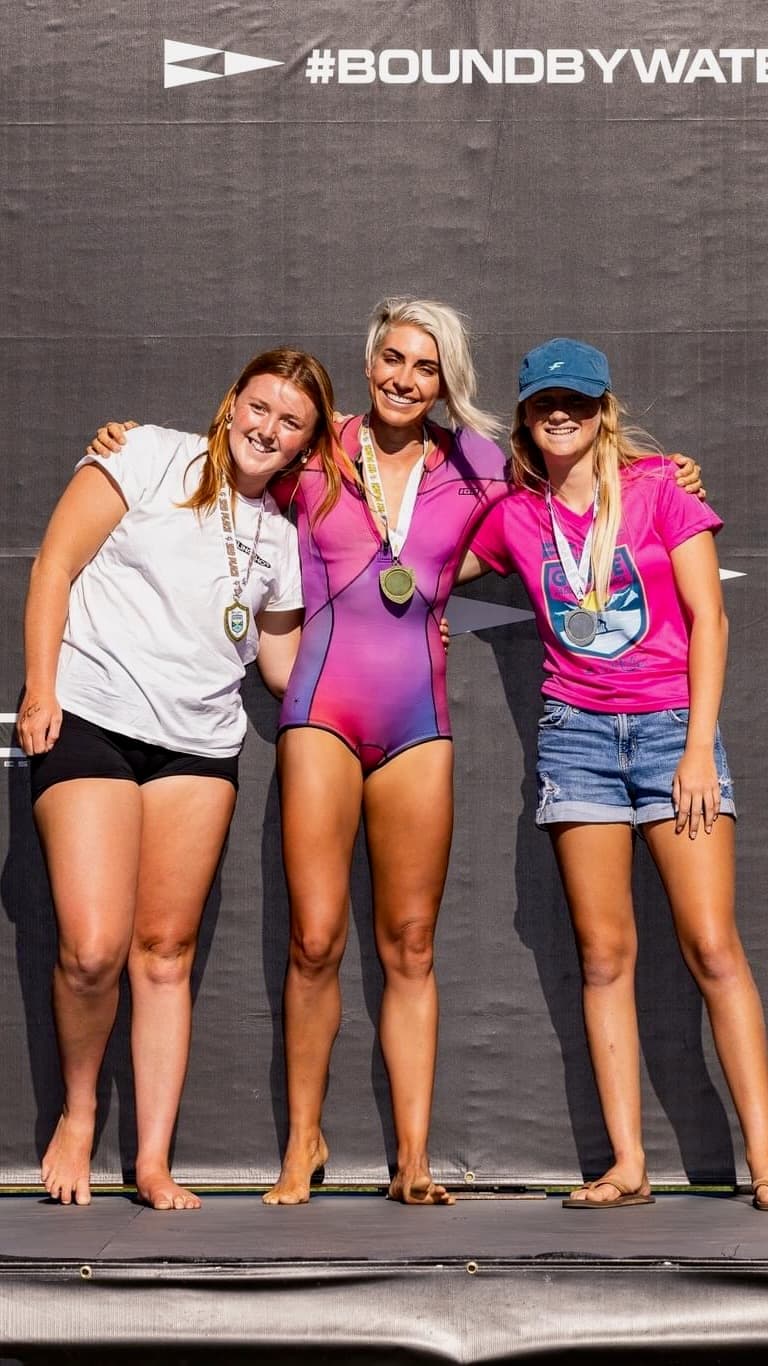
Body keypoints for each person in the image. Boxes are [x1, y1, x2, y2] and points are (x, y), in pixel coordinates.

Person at [88, 305, 702, 1206]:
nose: (404, 378)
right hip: (319, 712)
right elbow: (234, 449)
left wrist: (663, 471)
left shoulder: (477, 463)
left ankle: (412, 1158)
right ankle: (303, 1145)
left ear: (447, 381)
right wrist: (134, 437)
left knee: (411, 943)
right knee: (313, 939)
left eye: (425, 366)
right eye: (392, 358)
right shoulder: (318, 445)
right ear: (370, 361)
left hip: (418, 721)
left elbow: (577, 470)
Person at [19, 347, 344, 1209]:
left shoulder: (279, 537)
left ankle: (152, 1161)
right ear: (232, 399)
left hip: (198, 745)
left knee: (163, 956)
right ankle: (79, 1113)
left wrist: (391, 641)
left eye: (291, 424)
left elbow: (278, 665)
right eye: (260, 407)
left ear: (307, 445)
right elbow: (52, 565)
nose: (267, 430)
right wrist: (42, 689)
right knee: (91, 949)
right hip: (86, 714)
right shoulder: (144, 453)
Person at [463, 337, 768, 1209]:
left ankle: (766, 1159)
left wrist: (697, 748)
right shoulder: (515, 514)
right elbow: (432, 559)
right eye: (546, 402)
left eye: (580, 401)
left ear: (603, 408)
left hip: (674, 731)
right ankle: (627, 1167)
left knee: (712, 945)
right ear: (526, 415)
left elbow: (709, 621)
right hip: (576, 739)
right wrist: (426, 616)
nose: (563, 414)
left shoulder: (663, 489)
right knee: (604, 958)